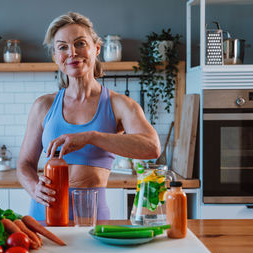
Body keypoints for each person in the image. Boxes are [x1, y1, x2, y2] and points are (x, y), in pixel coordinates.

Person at [17, 12, 160, 221]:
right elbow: (24, 164)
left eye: (80, 43)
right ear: (56, 57)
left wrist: (91, 137)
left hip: (91, 218)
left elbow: (152, 147)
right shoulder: (43, 106)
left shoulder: (118, 104)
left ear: (96, 48)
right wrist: (33, 187)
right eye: (63, 47)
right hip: (44, 215)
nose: (72, 52)